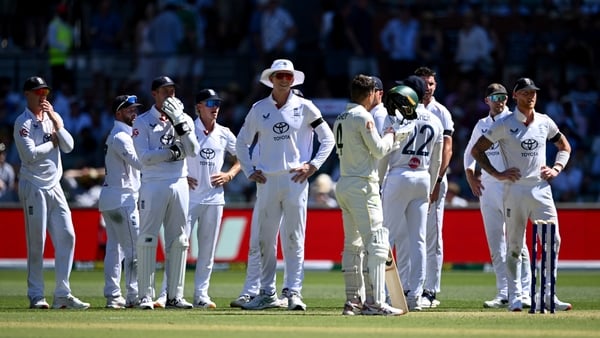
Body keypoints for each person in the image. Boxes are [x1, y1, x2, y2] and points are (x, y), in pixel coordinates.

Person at [234, 59, 334, 311]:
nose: (283, 79)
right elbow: (241, 142)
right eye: (279, 75)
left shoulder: (305, 107)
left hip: (295, 179)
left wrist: (312, 166)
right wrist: (248, 170)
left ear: (293, 79)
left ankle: (294, 292)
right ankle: (267, 293)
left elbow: (328, 139)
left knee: (294, 237)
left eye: (288, 76)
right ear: (271, 78)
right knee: (265, 240)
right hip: (267, 180)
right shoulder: (259, 109)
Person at [471, 77, 572, 312]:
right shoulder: (505, 123)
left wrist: (556, 168)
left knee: (551, 241)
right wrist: (497, 174)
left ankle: (548, 294)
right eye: (525, 93)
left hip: (540, 189)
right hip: (514, 190)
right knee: (514, 244)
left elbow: (564, 146)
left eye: (533, 92)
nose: (531, 96)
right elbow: (477, 150)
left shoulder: (545, 122)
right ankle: (515, 296)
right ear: (515, 96)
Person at [13, 76, 89, 309]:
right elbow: (30, 155)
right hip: (33, 185)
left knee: (68, 236)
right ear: (28, 94)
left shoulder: (52, 119)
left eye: (45, 91)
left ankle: (62, 294)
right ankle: (36, 294)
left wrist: (57, 123)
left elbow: (68, 146)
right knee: (37, 242)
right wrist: (52, 143)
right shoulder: (22, 123)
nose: (42, 95)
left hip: (54, 186)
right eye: (38, 92)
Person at [333, 74, 406, 316]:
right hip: (363, 186)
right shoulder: (363, 117)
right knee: (376, 243)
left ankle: (353, 302)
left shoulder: (341, 117)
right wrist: (394, 134)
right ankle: (375, 303)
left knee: (352, 246)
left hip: (344, 183)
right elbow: (379, 150)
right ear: (371, 93)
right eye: (377, 92)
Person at [132, 76, 200, 310]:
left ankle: (175, 296)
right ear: (154, 94)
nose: (170, 95)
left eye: (172, 90)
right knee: (148, 238)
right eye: (164, 91)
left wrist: (179, 119)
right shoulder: (141, 121)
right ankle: (145, 296)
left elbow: (192, 150)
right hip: (153, 183)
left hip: (179, 182)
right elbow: (145, 158)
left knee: (180, 240)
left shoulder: (183, 118)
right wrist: (171, 152)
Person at [464, 83, 532, 309]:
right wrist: (471, 176)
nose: (500, 100)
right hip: (488, 187)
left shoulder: (515, 120)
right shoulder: (482, 124)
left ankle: (524, 292)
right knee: (495, 242)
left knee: (517, 242)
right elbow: (469, 154)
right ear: (487, 100)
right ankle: (504, 292)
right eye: (495, 96)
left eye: (503, 96)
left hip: (512, 185)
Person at [379, 81, 443, 312]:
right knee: (419, 240)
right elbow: (437, 160)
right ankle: (415, 296)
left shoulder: (396, 117)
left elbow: (384, 154)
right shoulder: (435, 121)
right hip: (423, 177)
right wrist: (431, 185)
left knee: (386, 236)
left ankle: (383, 295)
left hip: (398, 175)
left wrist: (377, 183)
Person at [186, 88, 241, 308]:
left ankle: (201, 295)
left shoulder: (224, 132)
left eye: (217, 103)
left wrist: (229, 174)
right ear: (198, 107)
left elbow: (242, 157)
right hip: (188, 197)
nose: (215, 108)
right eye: (210, 103)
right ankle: (169, 294)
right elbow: (172, 154)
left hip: (214, 198)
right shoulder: (187, 128)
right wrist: (182, 175)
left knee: (207, 249)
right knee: (179, 245)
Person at [414, 66, 454, 308]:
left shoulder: (442, 112)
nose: (427, 88)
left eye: (431, 83)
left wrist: (437, 180)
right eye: (423, 83)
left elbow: (447, 149)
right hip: (411, 175)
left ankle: (430, 290)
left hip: (434, 178)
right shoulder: (404, 107)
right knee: (410, 235)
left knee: (432, 236)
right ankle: (411, 287)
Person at [98, 95, 143, 309]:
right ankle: (133, 295)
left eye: (135, 109)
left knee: (115, 250)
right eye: (129, 110)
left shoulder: (121, 134)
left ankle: (113, 295)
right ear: (118, 113)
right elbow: (140, 163)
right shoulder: (121, 137)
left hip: (113, 197)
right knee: (133, 248)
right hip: (122, 197)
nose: (134, 113)